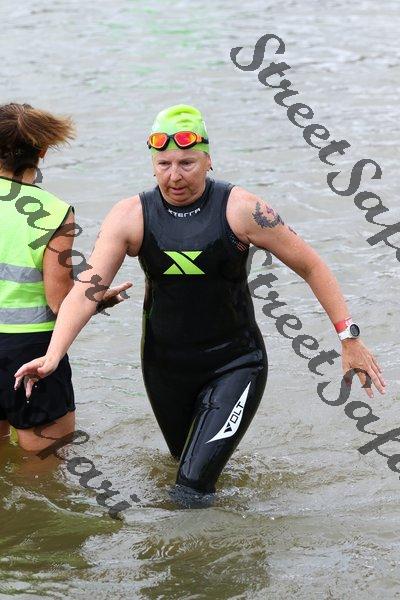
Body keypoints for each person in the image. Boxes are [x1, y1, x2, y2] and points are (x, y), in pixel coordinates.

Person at [14, 104, 386, 506]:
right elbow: (87, 289)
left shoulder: (243, 210)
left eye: (187, 163)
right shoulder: (130, 216)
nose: (175, 176)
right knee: (186, 465)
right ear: (153, 165)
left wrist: (348, 338)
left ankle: (192, 544)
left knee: (190, 487)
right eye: (164, 164)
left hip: (235, 364)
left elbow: (311, 266)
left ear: (208, 160)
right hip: (164, 369)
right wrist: (53, 355)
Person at [0, 102, 130, 453]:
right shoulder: (53, 212)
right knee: (41, 469)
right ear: (42, 151)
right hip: (30, 352)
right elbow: (59, 302)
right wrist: (99, 301)